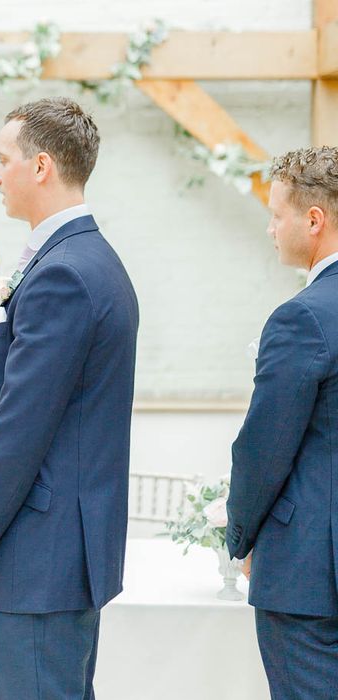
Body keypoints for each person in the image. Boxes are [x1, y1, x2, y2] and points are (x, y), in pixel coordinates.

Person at [0, 97, 139, 699]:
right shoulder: (83, 259)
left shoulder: (63, 274)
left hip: (40, 553)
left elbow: (20, 428)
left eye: (3, 160)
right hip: (58, 550)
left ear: (42, 166)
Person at [226, 146, 338, 700]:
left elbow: (263, 450)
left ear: (313, 220)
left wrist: (240, 536)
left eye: (277, 215)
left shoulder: (305, 317)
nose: (271, 229)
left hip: (311, 575)